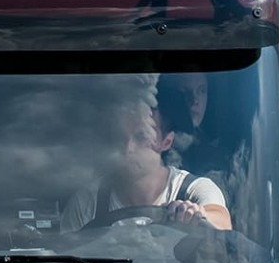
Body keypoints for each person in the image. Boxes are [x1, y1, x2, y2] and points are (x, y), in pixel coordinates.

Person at [62, 97, 231, 232]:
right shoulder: (87, 203)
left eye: (141, 137)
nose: (128, 149)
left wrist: (197, 215)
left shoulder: (194, 190)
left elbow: (223, 223)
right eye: (121, 136)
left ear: (166, 142)